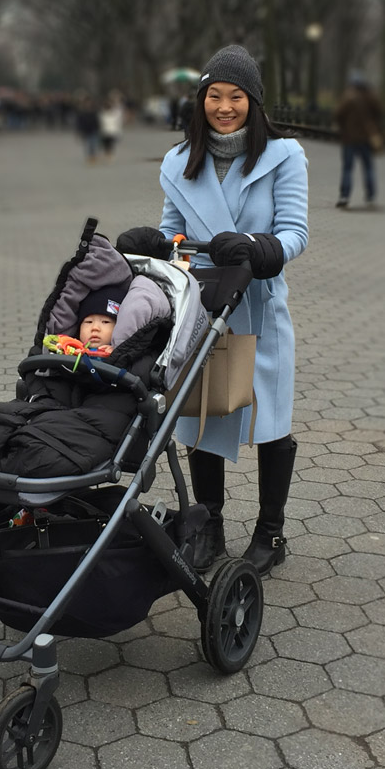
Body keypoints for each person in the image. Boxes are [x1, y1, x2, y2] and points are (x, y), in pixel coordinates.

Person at [117, 44, 309, 575]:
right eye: (214, 96)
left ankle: (271, 532)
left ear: (254, 101)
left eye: (236, 96)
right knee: (199, 417)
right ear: (201, 100)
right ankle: (209, 527)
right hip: (201, 305)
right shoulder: (180, 161)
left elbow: (295, 233)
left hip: (259, 306)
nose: (225, 107)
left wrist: (259, 246)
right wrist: (156, 241)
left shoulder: (284, 156)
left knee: (270, 420)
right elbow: (174, 226)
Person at [334, 77, 383, 208]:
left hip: (349, 139)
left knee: (348, 168)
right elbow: (379, 113)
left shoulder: (348, 98)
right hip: (366, 139)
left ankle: (344, 196)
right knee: (368, 167)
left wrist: (343, 128)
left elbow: (338, 114)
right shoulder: (371, 97)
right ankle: (371, 196)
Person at [74, 92, 100, 163]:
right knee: (88, 145)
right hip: (85, 130)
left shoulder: (95, 111)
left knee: (94, 144)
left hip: (94, 130)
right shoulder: (81, 111)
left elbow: (98, 121)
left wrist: (100, 129)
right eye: (86, 102)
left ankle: (93, 157)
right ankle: (89, 157)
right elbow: (78, 122)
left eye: (89, 102)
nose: (88, 104)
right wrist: (78, 131)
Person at [99, 92, 125, 160]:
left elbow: (118, 123)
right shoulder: (102, 113)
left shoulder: (115, 113)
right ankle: (107, 154)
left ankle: (109, 155)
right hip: (104, 131)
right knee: (105, 144)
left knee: (110, 144)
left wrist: (119, 132)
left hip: (112, 131)